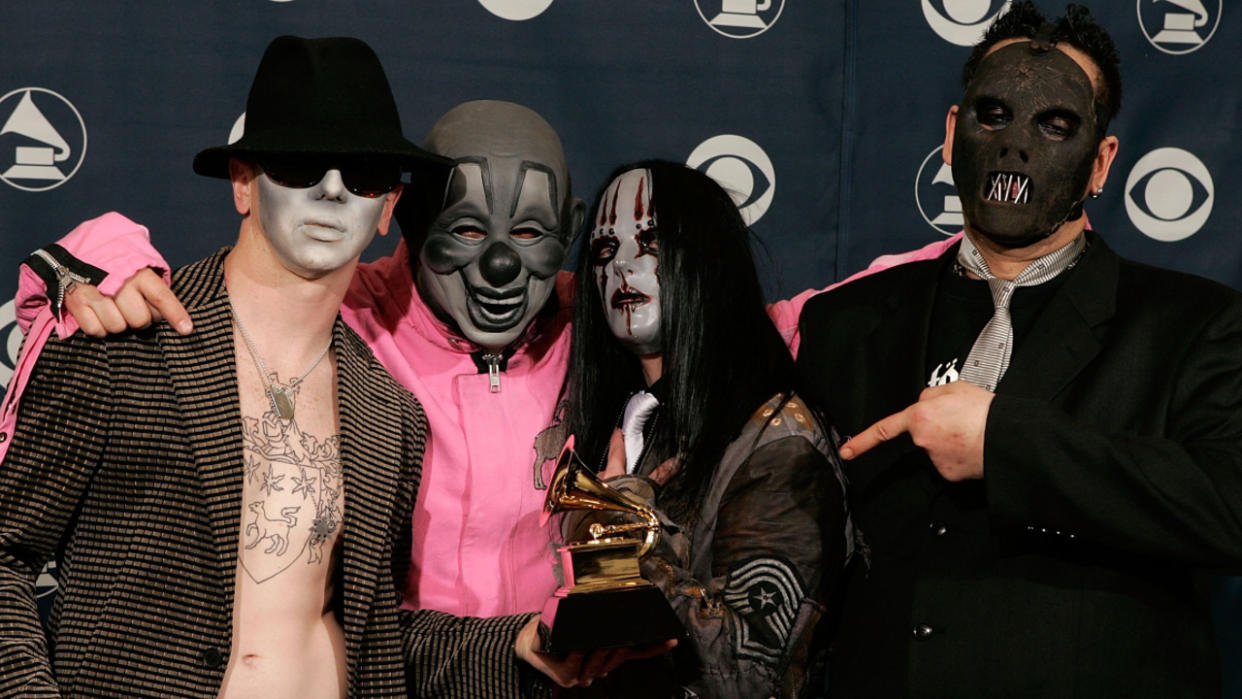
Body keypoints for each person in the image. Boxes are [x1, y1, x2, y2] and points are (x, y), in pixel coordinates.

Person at [0, 35, 647, 698]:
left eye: (363, 175)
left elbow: (374, 638)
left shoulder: (388, 410)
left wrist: (514, 642)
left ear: (390, 208)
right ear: (244, 183)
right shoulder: (125, 337)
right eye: (301, 166)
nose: (334, 190)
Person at [797, 3, 1242, 696]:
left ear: (1101, 162)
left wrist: (1005, 445)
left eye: (1055, 124)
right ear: (950, 133)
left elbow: (1230, 504)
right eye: (993, 115)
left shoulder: (1195, 324)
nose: (1015, 147)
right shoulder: (841, 324)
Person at [558, 161, 850, 697]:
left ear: (707, 261)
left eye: (650, 242)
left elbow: (746, 675)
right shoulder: (622, 421)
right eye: (604, 251)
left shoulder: (779, 443)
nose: (623, 265)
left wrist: (622, 531)